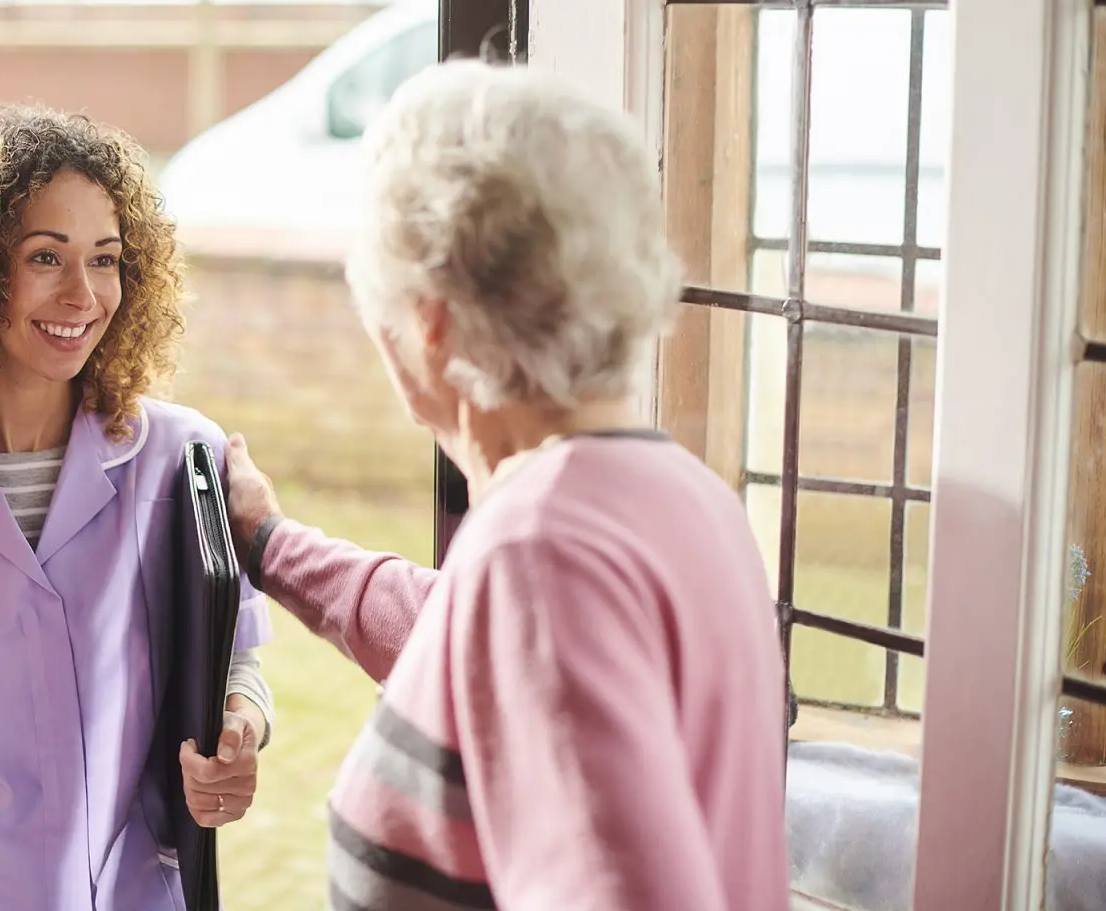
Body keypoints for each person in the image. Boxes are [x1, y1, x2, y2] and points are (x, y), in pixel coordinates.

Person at [223, 60, 790, 910]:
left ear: (430, 323)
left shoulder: (538, 552)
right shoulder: (679, 498)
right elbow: (478, 648)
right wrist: (271, 543)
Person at [0, 106, 274, 910]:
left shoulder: (182, 458)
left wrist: (240, 732)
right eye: (45, 257)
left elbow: (234, 660)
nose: (83, 294)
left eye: (105, 260)